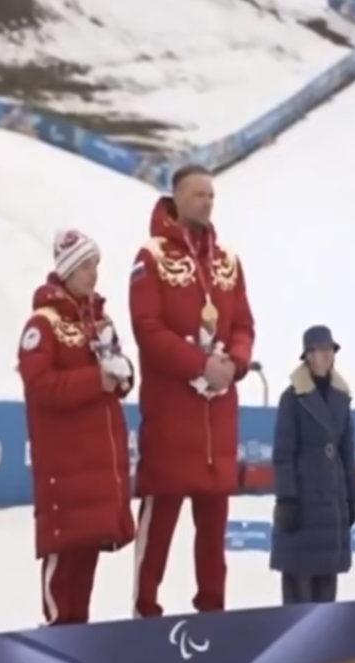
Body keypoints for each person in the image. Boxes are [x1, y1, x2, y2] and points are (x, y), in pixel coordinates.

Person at [129, 164, 256, 618]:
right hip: (171, 420)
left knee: (213, 534)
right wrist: (198, 364)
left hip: (216, 424)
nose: (207, 202)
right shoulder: (151, 257)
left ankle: (213, 616)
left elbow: (243, 325)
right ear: (177, 198)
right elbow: (147, 329)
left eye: (211, 195)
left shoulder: (228, 262)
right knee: (159, 526)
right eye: (199, 194)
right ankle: (145, 614)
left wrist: (234, 364)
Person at [19, 229, 134, 625]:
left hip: (98, 473)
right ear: (66, 270)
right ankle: (54, 644)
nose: (93, 273)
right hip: (65, 472)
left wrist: (122, 375)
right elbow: (40, 385)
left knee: (84, 571)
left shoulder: (100, 321)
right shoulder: (43, 324)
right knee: (62, 575)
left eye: (96, 265)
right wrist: (95, 381)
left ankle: (77, 645)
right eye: (85, 265)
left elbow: (118, 376)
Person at [270, 326, 355, 605]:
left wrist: (352, 497)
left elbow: (347, 451)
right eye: (320, 350)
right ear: (308, 355)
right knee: (298, 589)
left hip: (331, 505)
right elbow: (283, 453)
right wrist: (286, 499)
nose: (326, 355)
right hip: (302, 502)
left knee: (326, 591)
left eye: (329, 349)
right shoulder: (292, 398)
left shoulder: (341, 397)